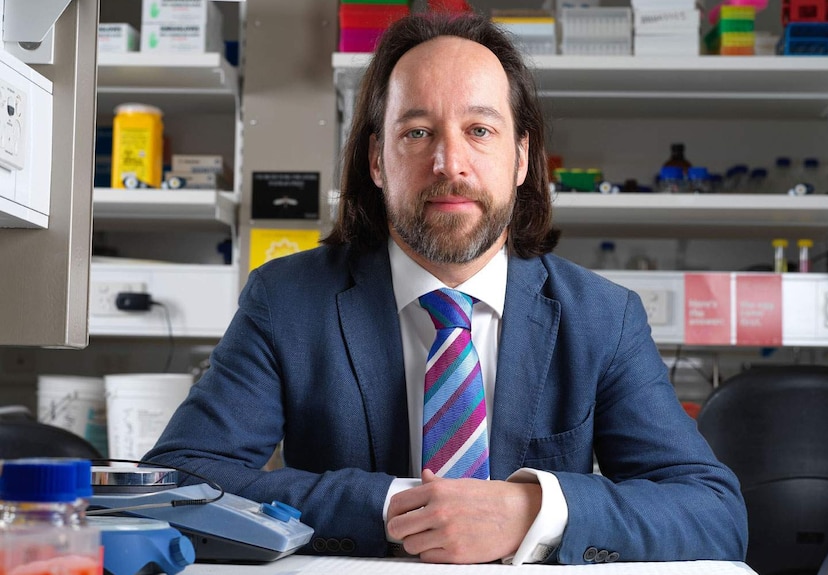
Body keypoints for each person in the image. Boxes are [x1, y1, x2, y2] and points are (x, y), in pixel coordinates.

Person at [145, 12, 747, 566]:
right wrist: (397, 506)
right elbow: (180, 479)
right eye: (417, 133)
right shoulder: (287, 301)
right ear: (377, 160)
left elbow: (712, 511)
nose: (449, 163)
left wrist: (534, 512)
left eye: (479, 130)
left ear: (520, 157)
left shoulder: (603, 318)